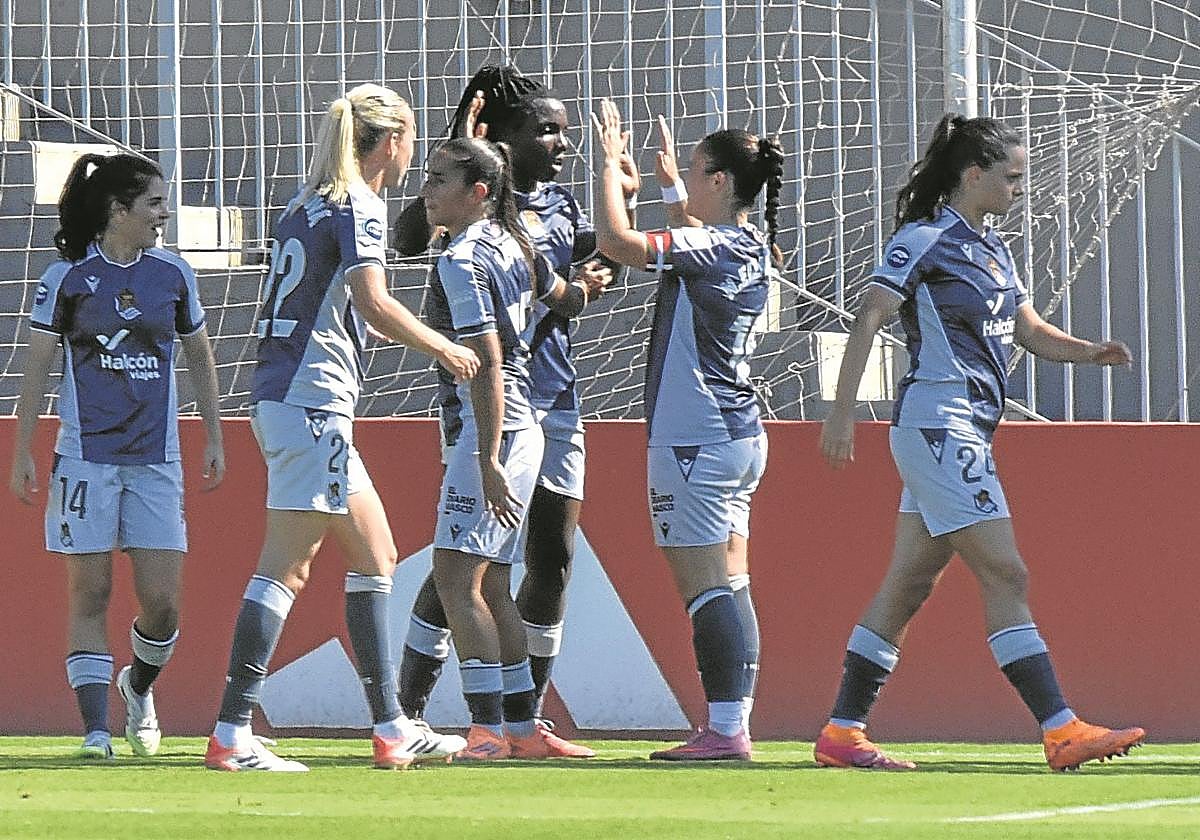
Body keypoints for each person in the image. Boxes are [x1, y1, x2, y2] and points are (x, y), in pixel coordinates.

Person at [815, 113, 1145, 772]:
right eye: (1011, 177)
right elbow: (872, 312)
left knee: (908, 584)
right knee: (1006, 571)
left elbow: (1026, 329)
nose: (1019, 189)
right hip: (940, 425)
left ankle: (841, 734)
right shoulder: (925, 238)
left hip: (961, 432)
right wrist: (841, 414)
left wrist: (1087, 352)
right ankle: (1060, 728)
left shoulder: (993, 246)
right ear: (974, 175)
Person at [202, 84, 479, 772]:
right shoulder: (359, 203)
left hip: (291, 397)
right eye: (410, 139)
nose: (413, 154)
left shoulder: (308, 202)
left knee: (376, 555)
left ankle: (391, 728)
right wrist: (442, 347)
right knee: (287, 568)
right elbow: (374, 300)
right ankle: (232, 733)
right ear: (390, 144)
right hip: (310, 400)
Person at [394, 64, 615, 757]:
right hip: (525, 423)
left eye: (437, 180)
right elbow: (567, 298)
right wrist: (587, 283)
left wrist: (485, 456)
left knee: (461, 579)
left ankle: (486, 725)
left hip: (491, 425)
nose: (426, 191)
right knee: (495, 579)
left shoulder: (462, 259)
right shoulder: (518, 238)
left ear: (476, 190)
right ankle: (521, 726)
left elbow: (485, 360)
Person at [10, 152, 225, 760]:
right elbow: (38, 366)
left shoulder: (173, 275)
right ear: (119, 209)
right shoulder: (67, 278)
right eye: (155, 203)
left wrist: (212, 432)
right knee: (92, 593)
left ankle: (137, 685)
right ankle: (95, 730)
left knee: (163, 605)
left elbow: (201, 357)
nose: (164, 214)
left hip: (156, 460)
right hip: (85, 460)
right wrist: (24, 446)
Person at [591, 98, 783, 760]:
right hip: (734, 434)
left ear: (722, 182)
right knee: (731, 582)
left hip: (695, 437)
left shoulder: (713, 245)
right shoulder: (750, 243)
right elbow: (688, 234)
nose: (691, 179)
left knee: (704, 587)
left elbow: (618, 244)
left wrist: (605, 171)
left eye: (699, 170)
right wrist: (672, 185)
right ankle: (733, 720)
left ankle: (726, 730)